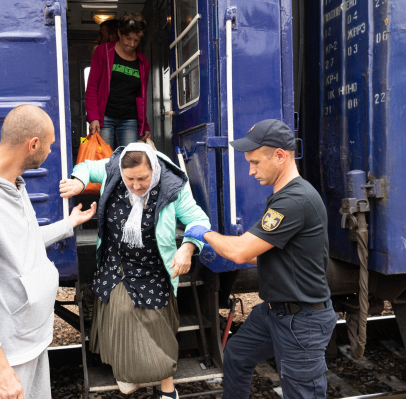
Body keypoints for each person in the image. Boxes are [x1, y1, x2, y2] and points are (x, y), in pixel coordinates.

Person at [0, 105, 97, 399]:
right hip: (3, 362)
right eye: (49, 145)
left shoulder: (13, 186)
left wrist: (68, 224)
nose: (51, 151)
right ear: (33, 145)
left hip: (29, 342)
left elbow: (21, 242)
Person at [184, 119, 338, 399]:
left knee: (301, 393)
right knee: (236, 356)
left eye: (255, 162)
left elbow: (243, 252)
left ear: (280, 156)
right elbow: (267, 257)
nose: (251, 171)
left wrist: (204, 234)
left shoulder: (294, 200)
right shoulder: (283, 197)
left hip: (301, 320)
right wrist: (230, 248)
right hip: (275, 313)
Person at [59, 142, 210, 399]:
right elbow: (84, 167)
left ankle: (166, 387)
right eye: (130, 179)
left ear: (154, 169)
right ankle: (126, 370)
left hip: (153, 267)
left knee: (155, 319)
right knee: (121, 308)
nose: (137, 185)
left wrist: (187, 247)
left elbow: (198, 220)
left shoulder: (173, 184)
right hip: (116, 263)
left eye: (143, 178)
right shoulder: (112, 169)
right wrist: (79, 182)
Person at [85, 13, 151, 148]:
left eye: (136, 40)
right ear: (119, 33)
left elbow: (141, 98)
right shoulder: (103, 52)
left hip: (130, 120)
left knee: (128, 161)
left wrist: (144, 125)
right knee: (104, 161)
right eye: (128, 38)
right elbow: (92, 86)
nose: (132, 44)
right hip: (105, 118)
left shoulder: (143, 63)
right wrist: (93, 117)